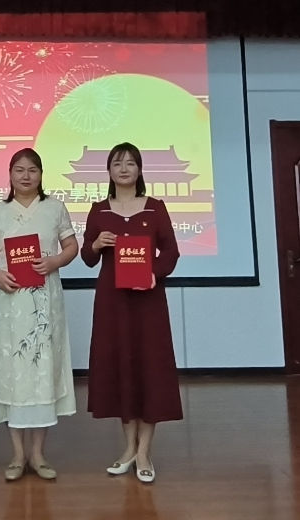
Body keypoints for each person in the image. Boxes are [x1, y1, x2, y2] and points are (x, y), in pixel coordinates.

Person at [81, 142, 182, 484]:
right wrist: (96, 244)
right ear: (108, 171)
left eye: (130, 163)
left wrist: (154, 273)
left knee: (149, 369)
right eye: (117, 163)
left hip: (148, 301)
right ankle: (128, 448)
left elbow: (171, 251)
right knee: (120, 367)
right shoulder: (99, 210)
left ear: (139, 170)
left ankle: (144, 452)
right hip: (112, 302)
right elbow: (87, 257)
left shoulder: (155, 208)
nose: (124, 169)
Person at [0, 148, 78, 481]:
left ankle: (38, 454)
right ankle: (17, 455)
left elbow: (71, 246)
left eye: (32, 170)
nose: (25, 176)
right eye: (19, 170)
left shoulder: (55, 208)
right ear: (10, 174)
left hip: (45, 303)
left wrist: (54, 261)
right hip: (10, 303)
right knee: (13, 373)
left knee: (41, 372)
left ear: (41, 174)